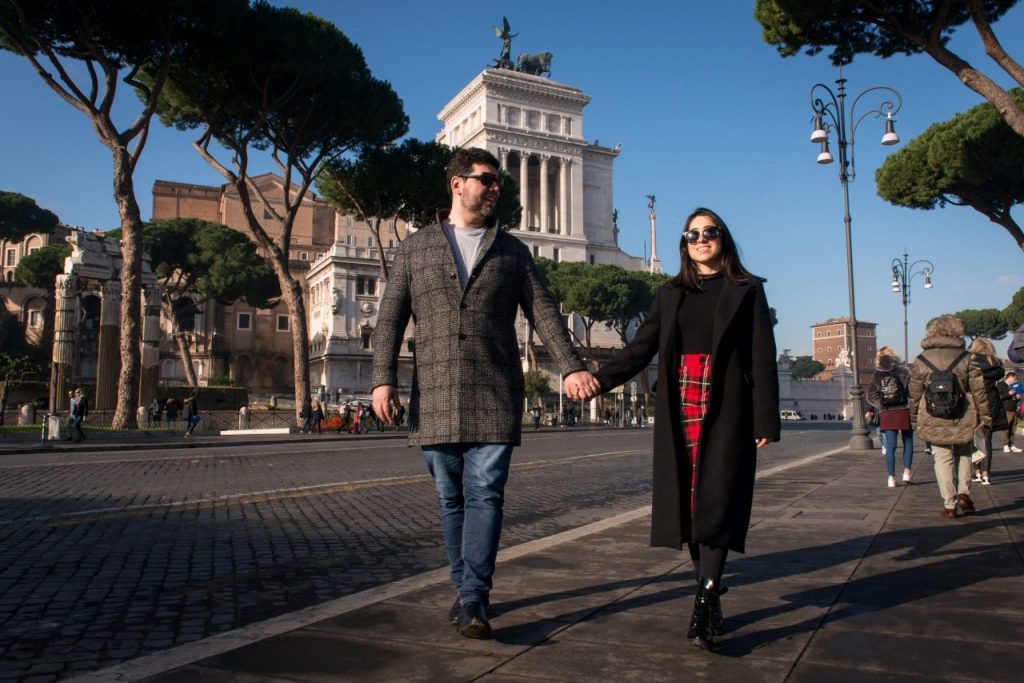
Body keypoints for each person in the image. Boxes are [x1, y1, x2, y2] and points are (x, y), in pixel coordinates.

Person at [371, 147, 599, 640]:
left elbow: (544, 313)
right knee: (450, 497)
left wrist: (572, 367)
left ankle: (474, 596)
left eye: (497, 182)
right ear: (457, 184)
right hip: (432, 389)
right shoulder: (415, 248)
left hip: (496, 388)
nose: (495, 187)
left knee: (486, 493)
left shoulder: (513, 251)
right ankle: (463, 588)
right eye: (486, 179)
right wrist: (382, 378)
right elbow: (390, 319)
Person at [592, 207, 780, 652]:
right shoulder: (670, 292)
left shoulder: (747, 290)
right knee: (693, 506)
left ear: (723, 239)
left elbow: (761, 357)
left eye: (709, 232)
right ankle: (711, 592)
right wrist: (599, 380)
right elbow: (640, 349)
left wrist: (765, 417)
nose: (700, 240)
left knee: (716, 498)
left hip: (727, 402)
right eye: (692, 234)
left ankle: (704, 599)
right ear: (683, 244)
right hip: (680, 403)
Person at [908, 315, 990, 519]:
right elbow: (979, 391)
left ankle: (949, 504)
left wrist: (914, 419)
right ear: (957, 332)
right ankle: (963, 492)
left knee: (942, 458)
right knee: (964, 452)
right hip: (963, 413)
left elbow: (915, 395)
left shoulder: (921, 360)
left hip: (933, 415)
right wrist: (986, 418)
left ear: (932, 333)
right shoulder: (967, 357)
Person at [865, 346, 914, 488]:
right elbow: (913, 392)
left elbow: (870, 396)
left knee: (890, 446)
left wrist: (881, 405)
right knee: (908, 442)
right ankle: (907, 472)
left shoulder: (877, 374)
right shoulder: (904, 371)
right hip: (905, 410)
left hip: (887, 412)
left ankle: (891, 478)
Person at [968, 338, 1008, 485]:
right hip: (991, 402)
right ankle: (986, 474)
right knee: (987, 439)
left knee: (974, 440)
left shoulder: (970, 362)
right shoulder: (995, 363)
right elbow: (1000, 373)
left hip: (974, 402)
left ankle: (977, 472)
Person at [1001, 370, 1022, 453]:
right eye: (1014, 379)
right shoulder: (1001, 385)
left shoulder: (1015, 386)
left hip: (1014, 409)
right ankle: (1005, 445)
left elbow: (1015, 399)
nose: (1015, 381)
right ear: (1010, 377)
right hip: (1006, 409)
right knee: (1006, 428)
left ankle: (1012, 445)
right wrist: (1008, 394)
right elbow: (999, 397)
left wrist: (1018, 398)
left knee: (1013, 428)